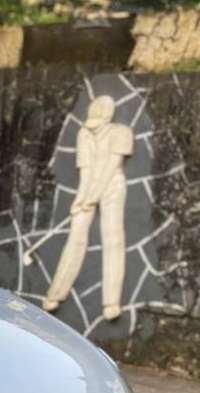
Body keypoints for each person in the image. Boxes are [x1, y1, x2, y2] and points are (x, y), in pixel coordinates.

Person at [44, 95, 133, 321]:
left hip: (112, 184)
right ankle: (55, 294)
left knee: (113, 238)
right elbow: (86, 171)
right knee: (76, 236)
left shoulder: (121, 132)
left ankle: (111, 302)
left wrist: (93, 197)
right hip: (90, 186)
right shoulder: (84, 133)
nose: (94, 129)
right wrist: (81, 199)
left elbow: (112, 166)